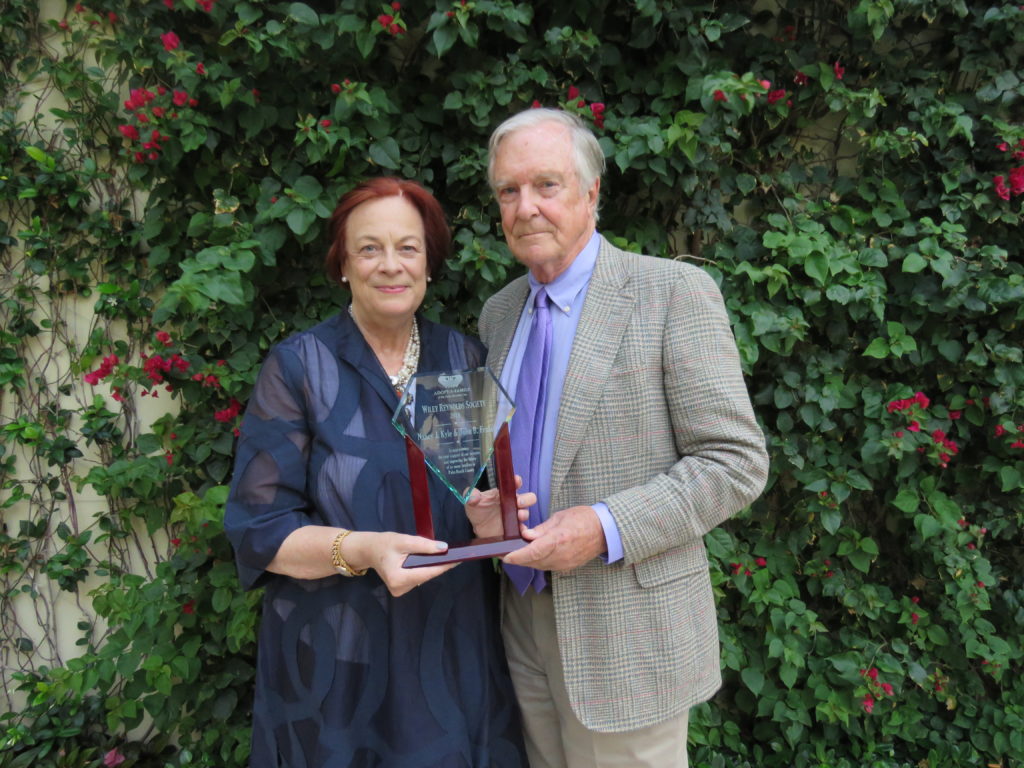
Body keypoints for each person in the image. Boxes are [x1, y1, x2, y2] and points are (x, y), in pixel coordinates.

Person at [474, 109, 770, 767]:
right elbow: (509, 457)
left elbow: (736, 463)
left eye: (546, 185)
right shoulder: (498, 314)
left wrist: (606, 527)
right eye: (508, 191)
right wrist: (487, 507)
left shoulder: (671, 294)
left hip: (626, 632)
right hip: (520, 619)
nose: (525, 208)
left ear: (591, 193)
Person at [224, 177, 529, 768]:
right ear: (342, 263)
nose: (390, 265)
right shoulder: (300, 366)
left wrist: (489, 522)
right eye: (369, 248)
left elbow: (467, 490)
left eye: (407, 248)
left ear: (429, 262)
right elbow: (258, 528)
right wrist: (362, 548)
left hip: (448, 652)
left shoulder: (463, 359)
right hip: (337, 663)